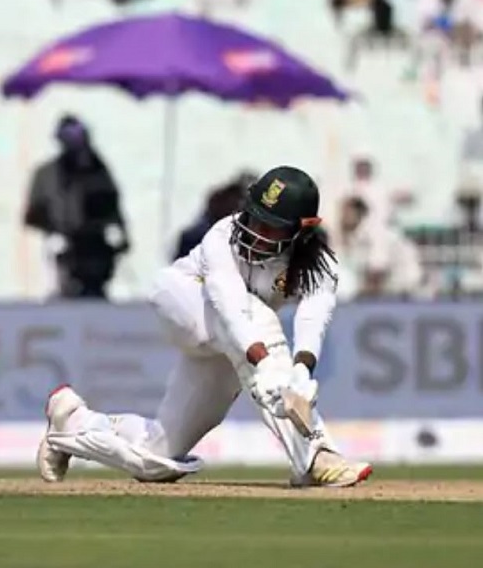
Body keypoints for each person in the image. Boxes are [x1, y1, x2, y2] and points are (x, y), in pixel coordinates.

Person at [37, 166, 373, 487]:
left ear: (304, 228)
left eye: (272, 228)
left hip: (229, 342)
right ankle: (315, 456)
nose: (256, 232)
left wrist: (300, 371)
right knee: (258, 320)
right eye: (255, 218)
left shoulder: (320, 265)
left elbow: (313, 319)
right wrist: (265, 364)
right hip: (184, 298)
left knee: (156, 458)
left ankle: (72, 420)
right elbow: (231, 307)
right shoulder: (223, 236)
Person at [23, 115, 130, 299]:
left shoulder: (98, 170)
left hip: (96, 243)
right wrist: (55, 228)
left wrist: (122, 235)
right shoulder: (47, 175)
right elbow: (32, 215)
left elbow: (112, 205)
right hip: (65, 243)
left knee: (94, 289)